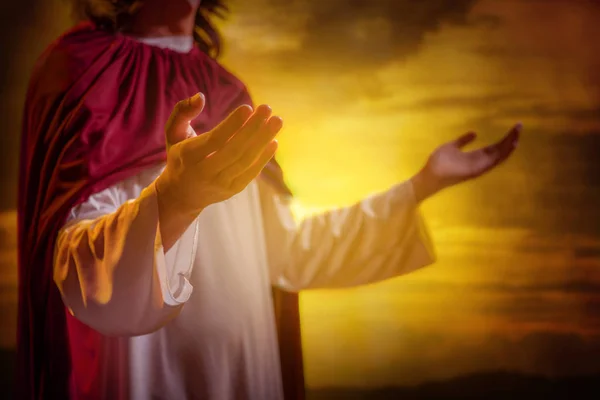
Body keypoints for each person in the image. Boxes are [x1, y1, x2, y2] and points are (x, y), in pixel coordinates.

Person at [16, 0, 521, 399]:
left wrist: (423, 184)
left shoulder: (226, 90)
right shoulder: (80, 69)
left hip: (242, 379)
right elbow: (73, 268)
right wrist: (171, 202)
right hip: (139, 379)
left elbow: (287, 249)